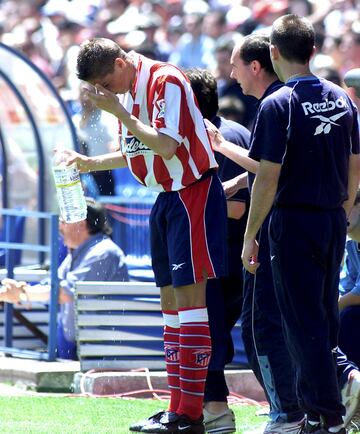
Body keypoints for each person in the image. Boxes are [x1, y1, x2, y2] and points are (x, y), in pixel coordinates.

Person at [62, 37, 227, 434]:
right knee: (170, 304)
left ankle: (191, 414)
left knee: (189, 303)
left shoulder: (163, 80)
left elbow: (167, 146)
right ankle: (177, 408)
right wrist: (88, 163)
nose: (105, 92)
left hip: (193, 193)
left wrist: (119, 111)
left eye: (107, 81)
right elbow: (136, 150)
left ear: (121, 63)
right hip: (166, 199)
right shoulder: (127, 89)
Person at [207, 33, 360, 434]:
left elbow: (268, 177)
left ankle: (321, 416)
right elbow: (354, 164)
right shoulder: (341, 97)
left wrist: (249, 234)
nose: (232, 73)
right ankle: (324, 409)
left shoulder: (278, 103)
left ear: (273, 54)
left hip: (294, 222)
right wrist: (342, 214)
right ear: (312, 51)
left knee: (296, 322)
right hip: (331, 219)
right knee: (322, 318)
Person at [185, 67, 250, 434]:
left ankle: (216, 412)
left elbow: (237, 206)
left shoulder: (219, 137)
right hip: (225, 254)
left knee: (209, 338)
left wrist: (186, 204)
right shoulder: (232, 130)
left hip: (221, 257)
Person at [0, 198, 129, 360]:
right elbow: (51, 285)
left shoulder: (103, 252)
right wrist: (13, 292)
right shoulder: (81, 250)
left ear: (81, 224)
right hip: (79, 347)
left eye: (63, 221)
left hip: (99, 351)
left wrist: (21, 293)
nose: (59, 227)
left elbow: (64, 293)